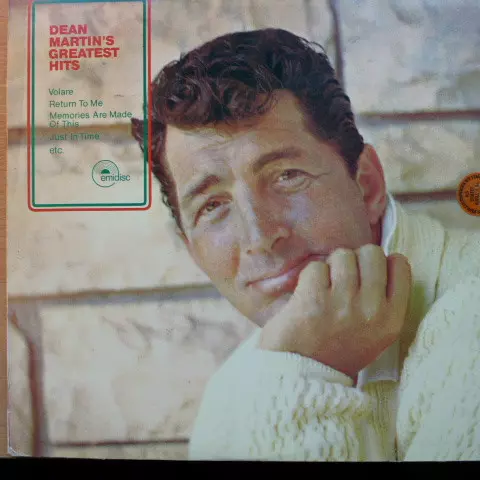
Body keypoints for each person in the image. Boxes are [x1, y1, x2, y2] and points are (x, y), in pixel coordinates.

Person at [131, 28, 480, 461]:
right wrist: (304, 365)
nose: (260, 237)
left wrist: (308, 376)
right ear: (192, 250)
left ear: (367, 185)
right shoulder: (228, 396)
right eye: (213, 206)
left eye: (287, 176)